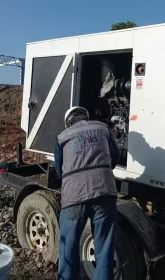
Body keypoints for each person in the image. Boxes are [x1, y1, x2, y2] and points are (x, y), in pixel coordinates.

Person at [54, 106, 120, 280]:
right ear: (85, 116)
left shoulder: (62, 137)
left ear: (68, 123)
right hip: (104, 191)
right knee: (104, 248)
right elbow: (115, 155)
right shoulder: (102, 128)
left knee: (68, 249)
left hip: (74, 197)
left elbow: (60, 172)